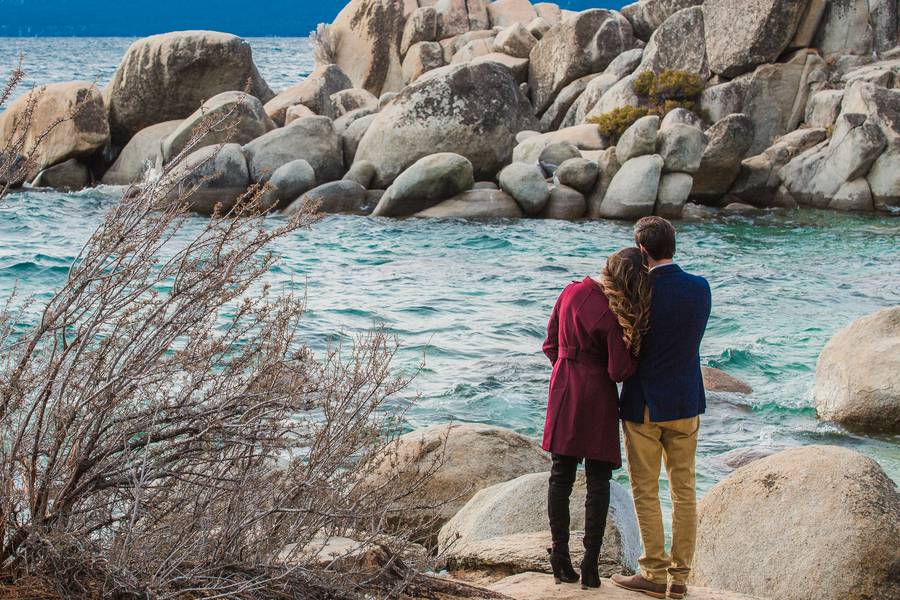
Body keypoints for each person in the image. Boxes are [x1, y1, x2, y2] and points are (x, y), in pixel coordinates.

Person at [611, 217, 711, 600]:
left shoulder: (638, 291)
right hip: (685, 402)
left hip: (644, 405)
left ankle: (653, 572)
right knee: (684, 490)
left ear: (641, 250)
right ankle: (680, 577)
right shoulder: (700, 289)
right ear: (673, 245)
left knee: (646, 489)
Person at [541, 247, 651, 589]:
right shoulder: (613, 314)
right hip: (597, 397)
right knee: (597, 482)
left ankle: (559, 556)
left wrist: (566, 369)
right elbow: (618, 371)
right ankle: (590, 565)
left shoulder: (570, 291)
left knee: (560, 475)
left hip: (564, 388)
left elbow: (549, 344)